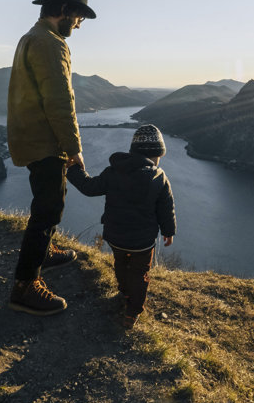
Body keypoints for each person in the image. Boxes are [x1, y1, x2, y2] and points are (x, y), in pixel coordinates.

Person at [6, 0, 95, 316]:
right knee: (48, 209)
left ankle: (43, 252)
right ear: (65, 11)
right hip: (45, 140)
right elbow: (60, 101)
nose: (79, 25)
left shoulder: (31, 36)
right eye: (79, 17)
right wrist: (74, 148)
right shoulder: (50, 43)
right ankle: (25, 286)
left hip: (30, 134)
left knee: (46, 203)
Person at [67, 124, 177, 329]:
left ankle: (124, 292)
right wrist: (169, 232)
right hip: (142, 242)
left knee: (120, 264)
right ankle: (133, 310)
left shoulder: (114, 172)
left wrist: (72, 170)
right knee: (139, 273)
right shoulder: (159, 177)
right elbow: (166, 208)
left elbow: (89, 187)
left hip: (115, 236)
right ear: (155, 155)